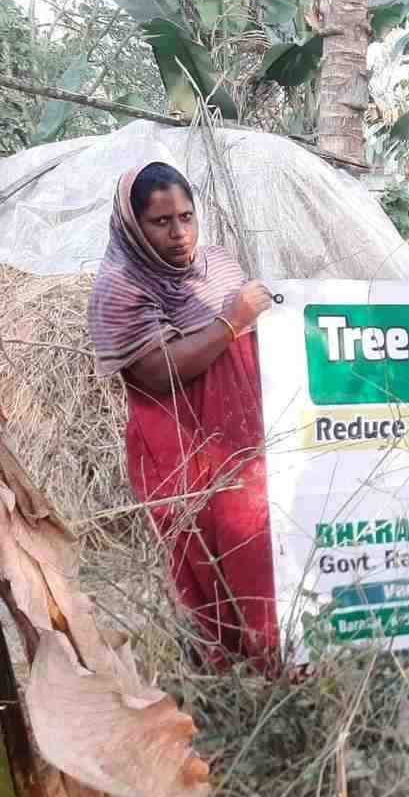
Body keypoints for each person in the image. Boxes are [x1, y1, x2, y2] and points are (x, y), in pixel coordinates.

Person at [88, 162, 280, 672]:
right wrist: (232, 320)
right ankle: (228, 680)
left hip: (243, 438)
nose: (179, 234)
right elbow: (158, 374)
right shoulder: (120, 288)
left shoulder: (217, 264)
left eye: (186, 217)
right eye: (161, 222)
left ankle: (276, 667)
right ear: (133, 224)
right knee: (206, 567)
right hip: (181, 449)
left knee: (261, 547)